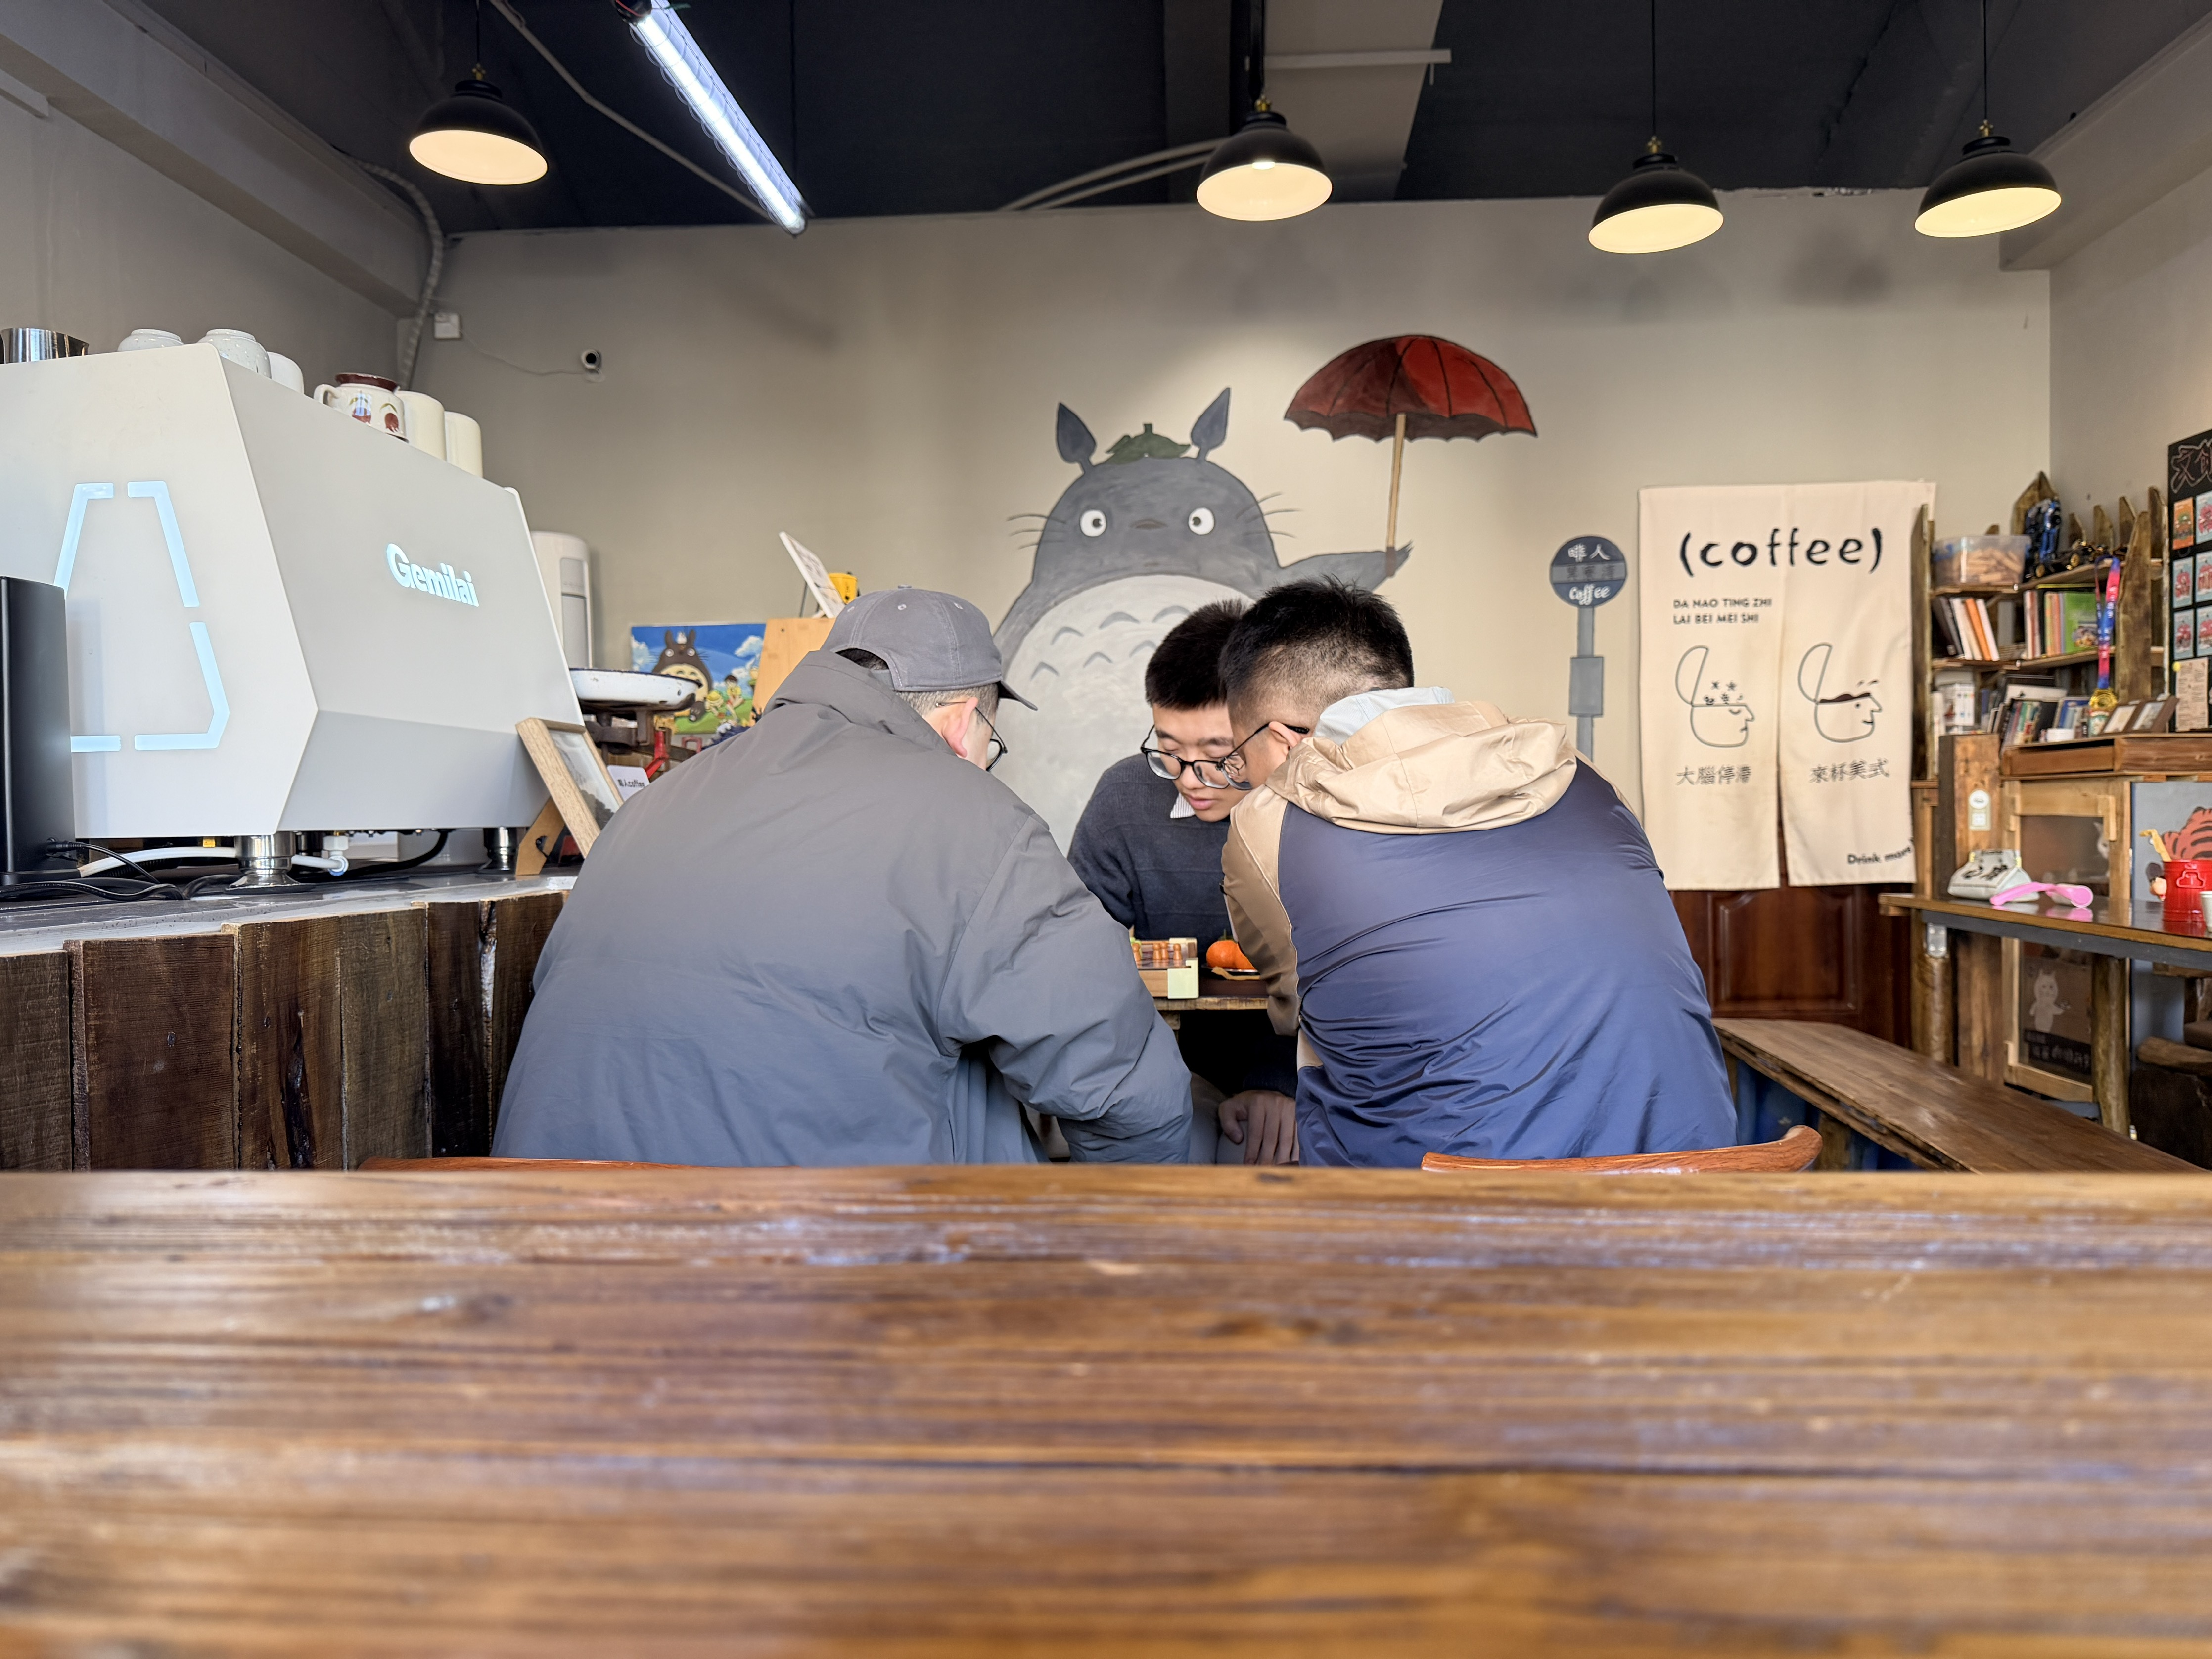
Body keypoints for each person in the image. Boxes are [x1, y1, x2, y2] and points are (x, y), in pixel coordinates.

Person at [493, 586, 1193, 1167]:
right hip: (807, 1261)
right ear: (962, 724)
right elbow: (1130, 1097)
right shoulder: (976, 820)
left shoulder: (653, 803)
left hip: (554, 1240)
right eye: (991, 743)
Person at [1215, 579, 1735, 1167]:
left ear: (1282, 742)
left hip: (1460, 1198)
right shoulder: (1580, 773)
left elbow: (1301, 1004)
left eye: (1238, 758)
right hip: (1698, 1176)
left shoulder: (1270, 823)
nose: (1242, 778)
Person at [1068, 602, 1299, 1164]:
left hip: (1300, 1071)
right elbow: (1073, 961)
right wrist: (1163, 1077)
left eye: (1218, 756)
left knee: (1271, 1169)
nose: (1190, 779)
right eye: (1169, 752)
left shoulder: (1317, 807)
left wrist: (1280, 1082)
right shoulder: (1125, 799)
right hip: (1172, 1068)